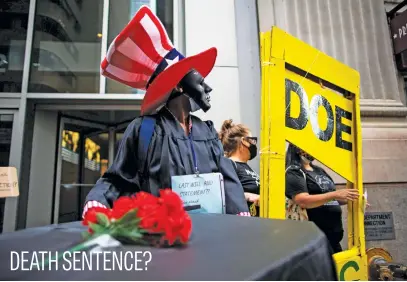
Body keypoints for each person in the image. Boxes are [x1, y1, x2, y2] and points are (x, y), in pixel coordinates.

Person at [82, 6, 250, 218]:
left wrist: (241, 213)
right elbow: (117, 178)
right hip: (164, 235)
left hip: (211, 233)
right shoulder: (144, 130)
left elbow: (227, 178)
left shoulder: (206, 131)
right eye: (198, 78)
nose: (206, 87)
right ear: (178, 86)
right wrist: (97, 200)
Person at [285, 144, 359, 253]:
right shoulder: (294, 172)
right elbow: (302, 200)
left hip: (332, 239)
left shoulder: (319, 170)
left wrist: (352, 198)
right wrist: (334, 194)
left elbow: (330, 197)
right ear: (296, 148)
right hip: (312, 241)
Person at [219, 119, 260, 217]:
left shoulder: (247, 167)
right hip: (242, 223)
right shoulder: (229, 164)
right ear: (244, 141)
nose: (254, 144)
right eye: (253, 140)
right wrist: (248, 196)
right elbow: (226, 193)